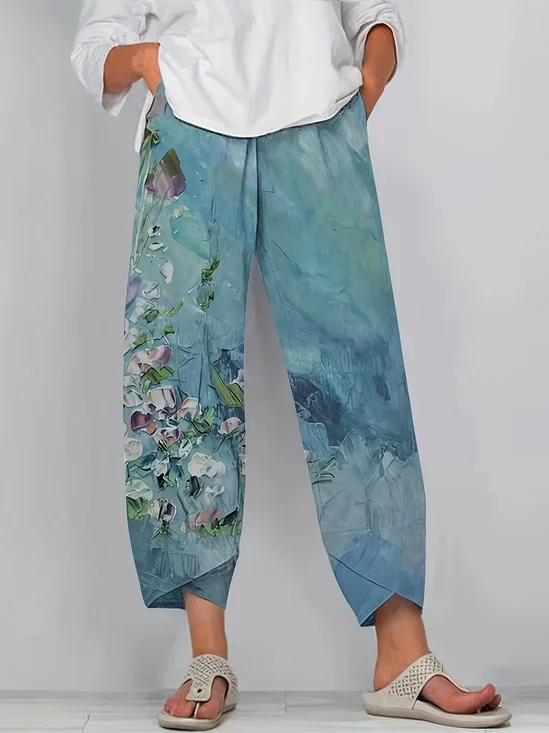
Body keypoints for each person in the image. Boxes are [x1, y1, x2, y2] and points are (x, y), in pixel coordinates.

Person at [71, 1, 511, 729]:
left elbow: (374, 14)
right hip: (191, 133)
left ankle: (401, 653)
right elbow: (96, 44)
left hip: (319, 125)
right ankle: (207, 654)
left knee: (362, 383)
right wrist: (150, 62)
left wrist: (366, 82)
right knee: (181, 387)